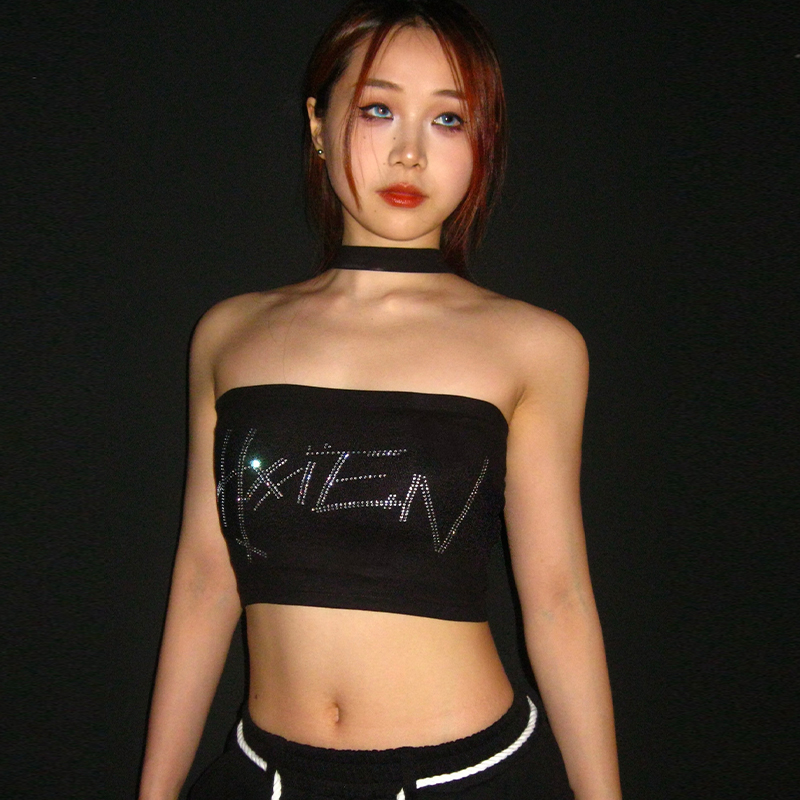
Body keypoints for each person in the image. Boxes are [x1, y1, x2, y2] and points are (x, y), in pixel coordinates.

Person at [138, 1, 622, 798]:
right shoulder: (230, 335)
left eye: (448, 120)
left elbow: (558, 598)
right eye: (377, 109)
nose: (409, 153)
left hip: (467, 776)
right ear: (319, 125)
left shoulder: (536, 346)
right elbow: (203, 578)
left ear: (483, 142)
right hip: (263, 776)